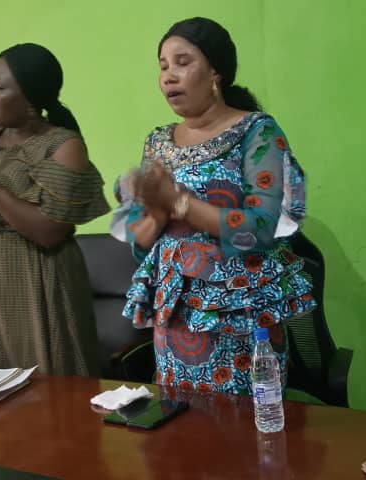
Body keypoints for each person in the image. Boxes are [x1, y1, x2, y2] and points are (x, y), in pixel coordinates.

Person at [113, 17, 315, 395]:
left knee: (243, 432)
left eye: (182, 62)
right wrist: (155, 216)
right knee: (182, 427)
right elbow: (144, 249)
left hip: (241, 309)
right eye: (162, 66)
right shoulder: (157, 143)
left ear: (215, 72)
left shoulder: (256, 132)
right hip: (175, 314)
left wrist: (180, 203)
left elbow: (262, 227)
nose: (169, 76)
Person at [0, 43, 110, 375]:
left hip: (42, 274)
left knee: (52, 375)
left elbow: (48, 231)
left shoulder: (63, 145)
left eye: (0, 87)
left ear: (31, 98)